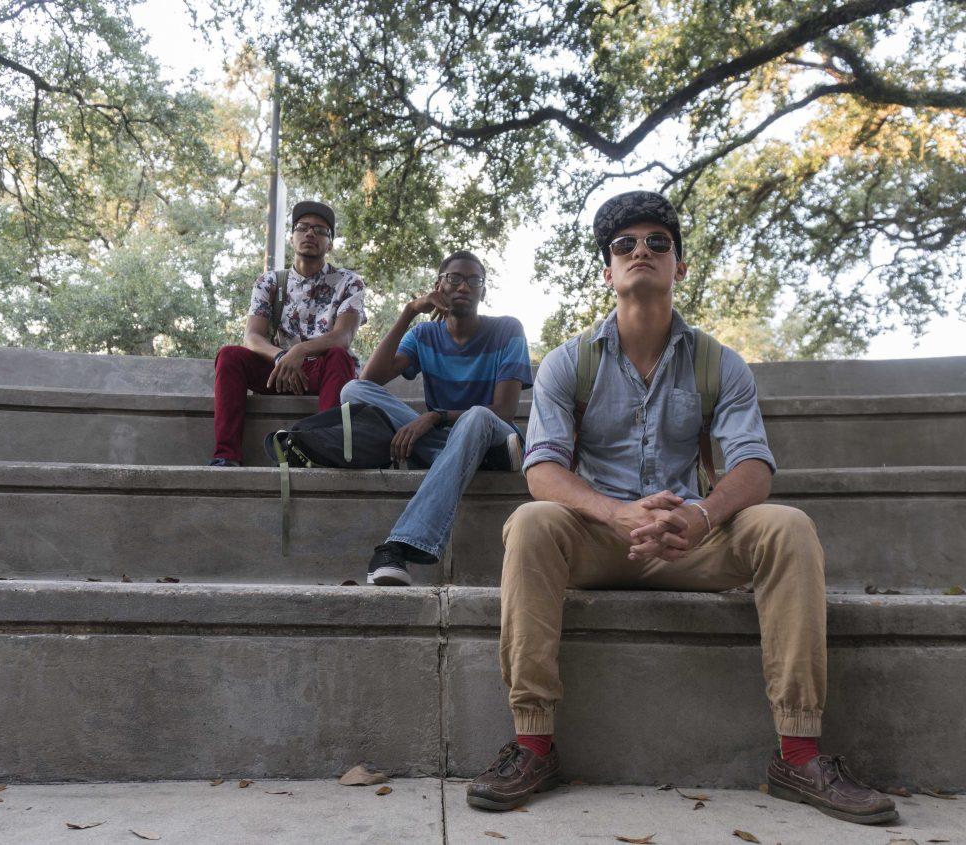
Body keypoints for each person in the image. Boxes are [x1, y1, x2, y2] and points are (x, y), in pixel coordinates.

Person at [466, 191, 897, 826]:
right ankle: (533, 744)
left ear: (680, 266)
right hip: (598, 537)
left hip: (692, 539)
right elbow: (542, 470)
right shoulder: (567, 363)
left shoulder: (720, 364)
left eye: (657, 243)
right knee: (531, 523)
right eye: (625, 245)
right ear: (607, 271)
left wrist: (698, 517)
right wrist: (616, 514)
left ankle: (798, 755)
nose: (641, 251)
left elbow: (753, 467)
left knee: (789, 527)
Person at [341, 250, 532, 586]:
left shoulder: (506, 330)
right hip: (451, 442)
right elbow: (370, 380)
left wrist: (433, 416)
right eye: (454, 278)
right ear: (438, 286)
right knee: (352, 392)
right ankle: (467, 459)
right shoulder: (424, 336)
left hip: (493, 431)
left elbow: (503, 409)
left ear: (483, 292)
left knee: (476, 416)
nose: (464, 286)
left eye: (475, 281)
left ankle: (401, 544)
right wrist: (408, 312)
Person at [209, 201, 365, 467]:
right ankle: (226, 455)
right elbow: (253, 337)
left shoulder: (349, 282)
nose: (310, 234)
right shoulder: (269, 282)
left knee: (341, 357)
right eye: (302, 228)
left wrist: (300, 350)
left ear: (330, 244)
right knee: (229, 355)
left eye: (320, 230)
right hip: (279, 373)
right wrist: (282, 357)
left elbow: (343, 337)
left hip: (323, 372)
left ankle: (322, 452)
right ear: (292, 237)